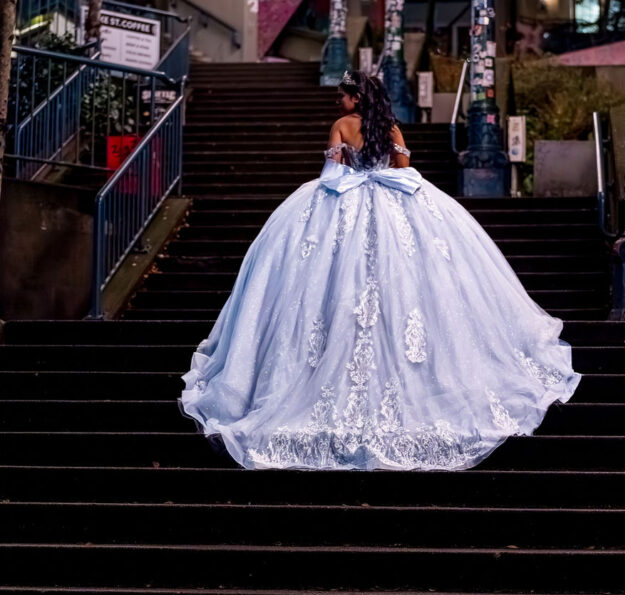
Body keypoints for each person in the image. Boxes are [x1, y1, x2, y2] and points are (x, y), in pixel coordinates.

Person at [180, 70, 580, 471]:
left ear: (356, 98)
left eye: (343, 95)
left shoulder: (341, 126)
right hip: (392, 202)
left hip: (345, 200)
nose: (338, 101)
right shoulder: (390, 126)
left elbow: (333, 171)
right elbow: (403, 167)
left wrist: (352, 171)